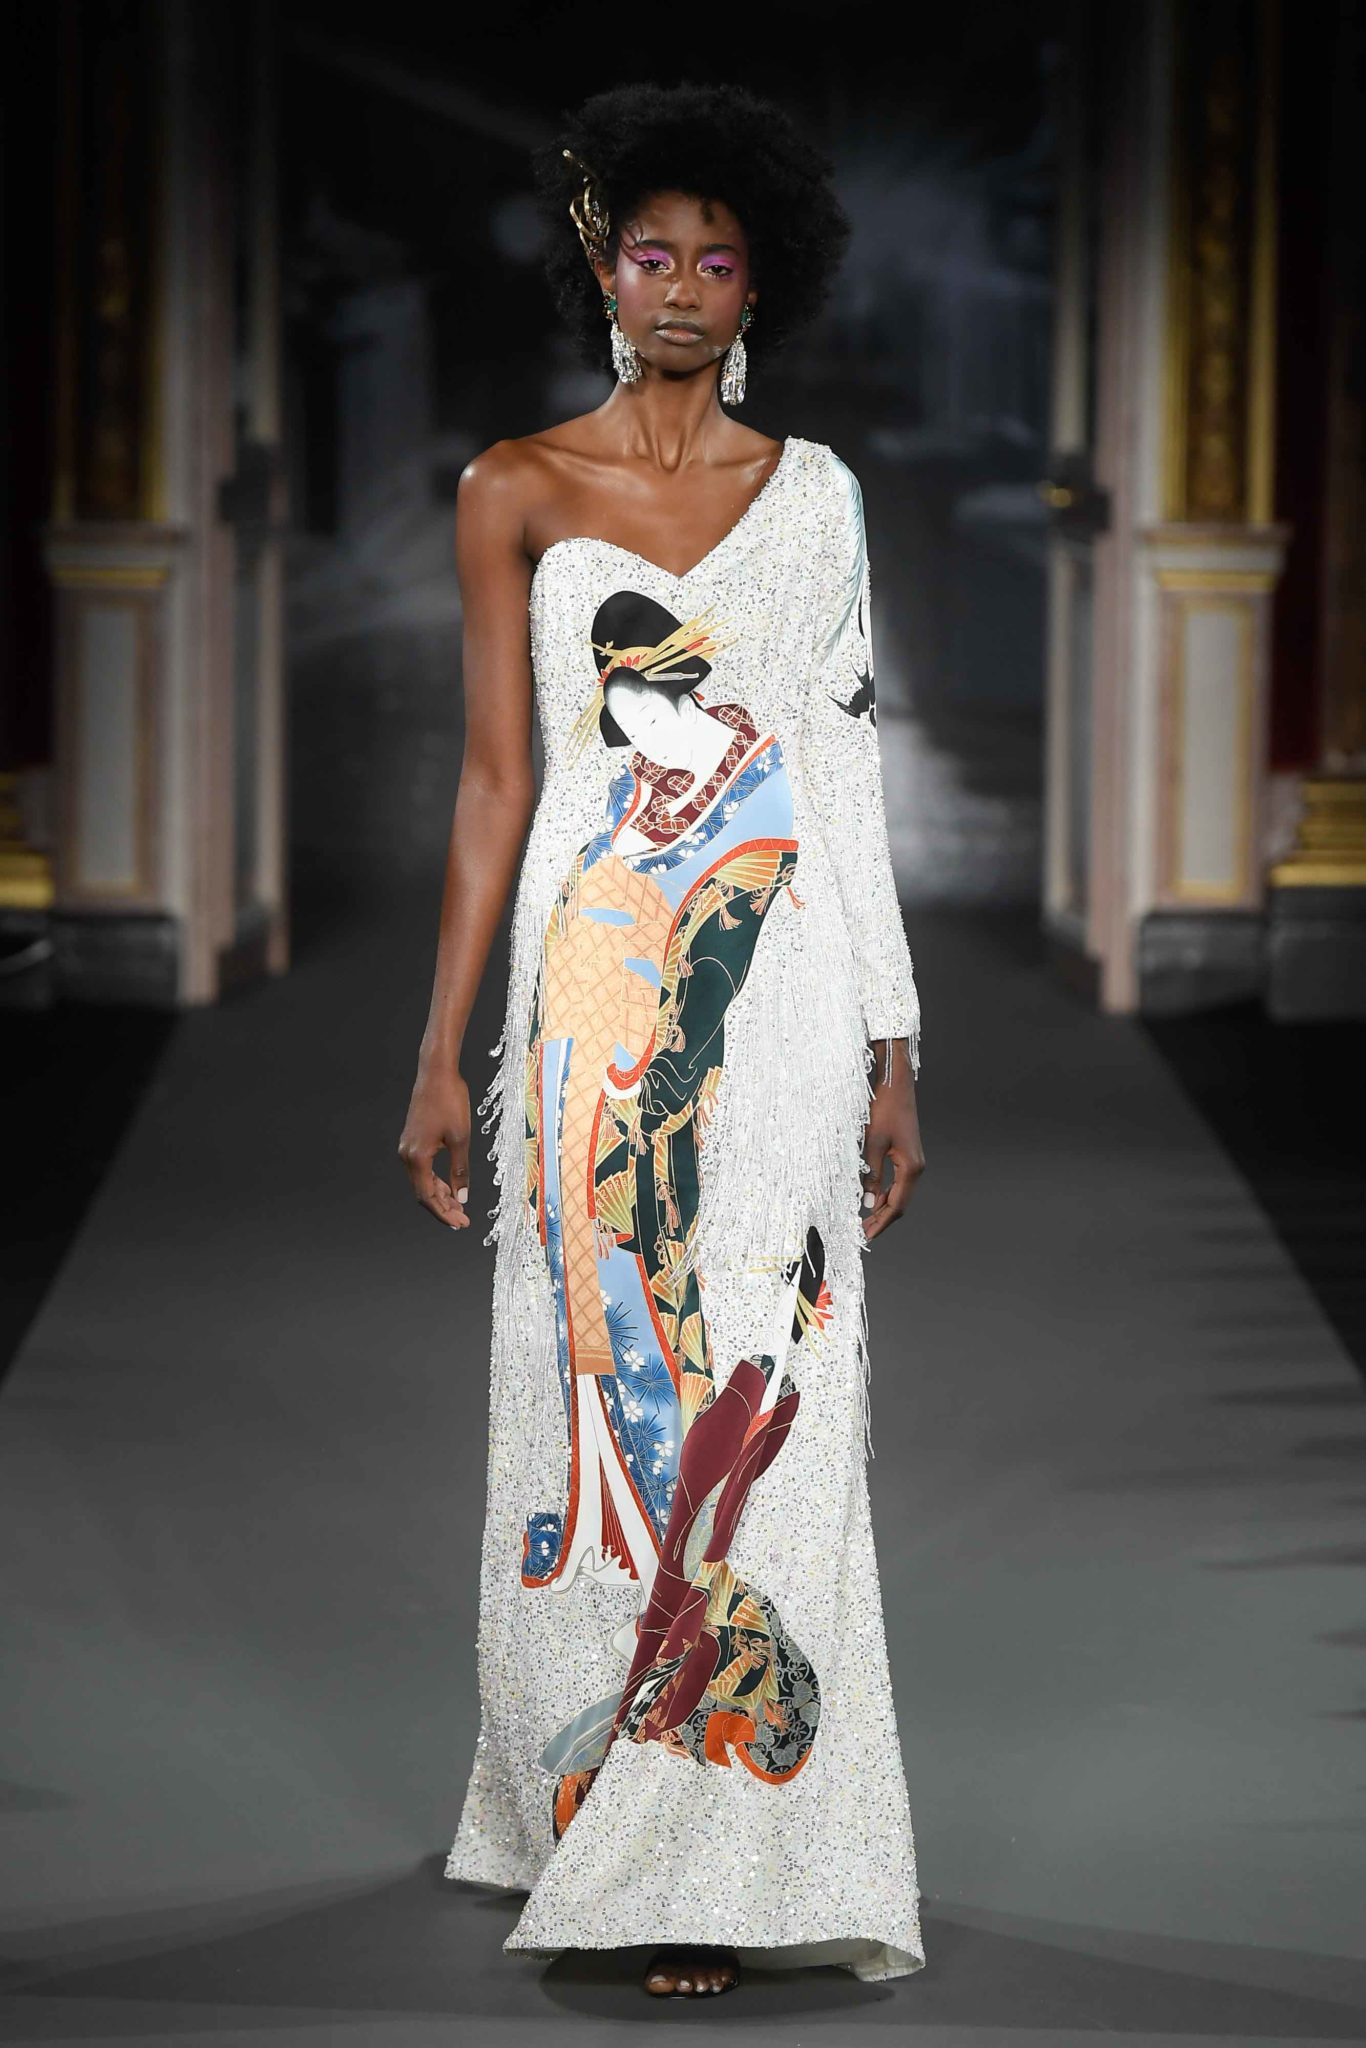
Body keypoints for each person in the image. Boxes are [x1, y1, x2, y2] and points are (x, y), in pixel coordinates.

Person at [398, 81, 927, 2001]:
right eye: (650, 254)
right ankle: (578, 1804)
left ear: (758, 280)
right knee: (593, 1390)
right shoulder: (514, 487)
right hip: (587, 1001)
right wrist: (442, 1052)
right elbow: (496, 782)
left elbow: (841, 779)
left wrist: (892, 1041)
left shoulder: (819, 497)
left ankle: (712, 1846)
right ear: (601, 273)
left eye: (716, 257)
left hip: (779, 1000)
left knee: (771, 1378)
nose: (683, 286)